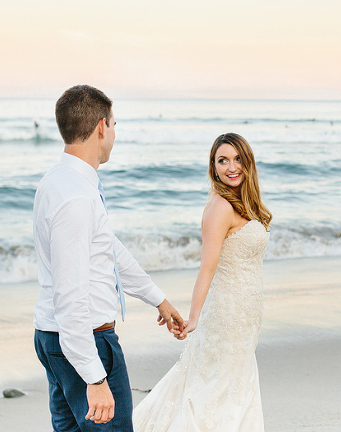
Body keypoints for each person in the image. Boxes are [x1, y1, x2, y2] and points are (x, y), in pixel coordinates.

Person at [33, 84, 186, 432]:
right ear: (101, 126)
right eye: (115, 125)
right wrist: (95, 377)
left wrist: (157, 299)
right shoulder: (75, 198)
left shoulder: (59, 182)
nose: (114, 134)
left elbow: (109, 250)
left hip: (55, 337)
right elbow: (70, 296)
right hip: (85, 341)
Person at [132, 133, 273, 432]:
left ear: (248, 163)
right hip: (227, 314)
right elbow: (207, 267)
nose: (231, 167)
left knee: (233, 382)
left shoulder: (243, 205)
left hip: (246, 316)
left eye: (237, 159)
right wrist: (193, 315)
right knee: (215, 385)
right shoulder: (220, 207)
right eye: (223, 160)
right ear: (213, 166)